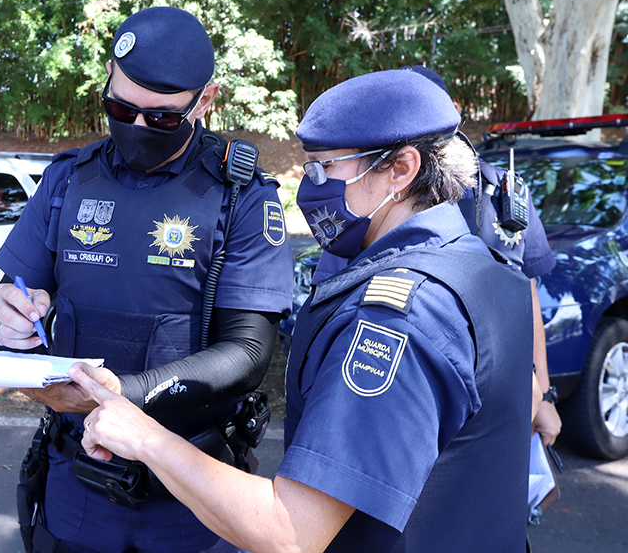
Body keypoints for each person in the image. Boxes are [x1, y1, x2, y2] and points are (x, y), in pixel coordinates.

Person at [72, 69, 536, 552]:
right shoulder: (479, 266)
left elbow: (290, 533)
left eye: (323, 169)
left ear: (401, 169)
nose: (310, 190)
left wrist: (146, 438)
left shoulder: (402, 316)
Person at [0, 6, 294, 553]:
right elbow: (13, 294)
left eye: (163, 117)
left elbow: (248, 353)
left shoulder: (241, 196)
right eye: (121, 109)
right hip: (75, 486)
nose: (139, 127)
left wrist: (121, 396)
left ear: (205, 100)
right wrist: (2, 314)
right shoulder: (66, 181)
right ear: (108, 78)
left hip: (190, 492)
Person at [310, 65, 563, 447]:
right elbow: (332, 294)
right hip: (394, 405)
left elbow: (524, 293)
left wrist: (542, 391)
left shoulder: (503, 193)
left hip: (497, 404)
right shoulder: (375, 202)